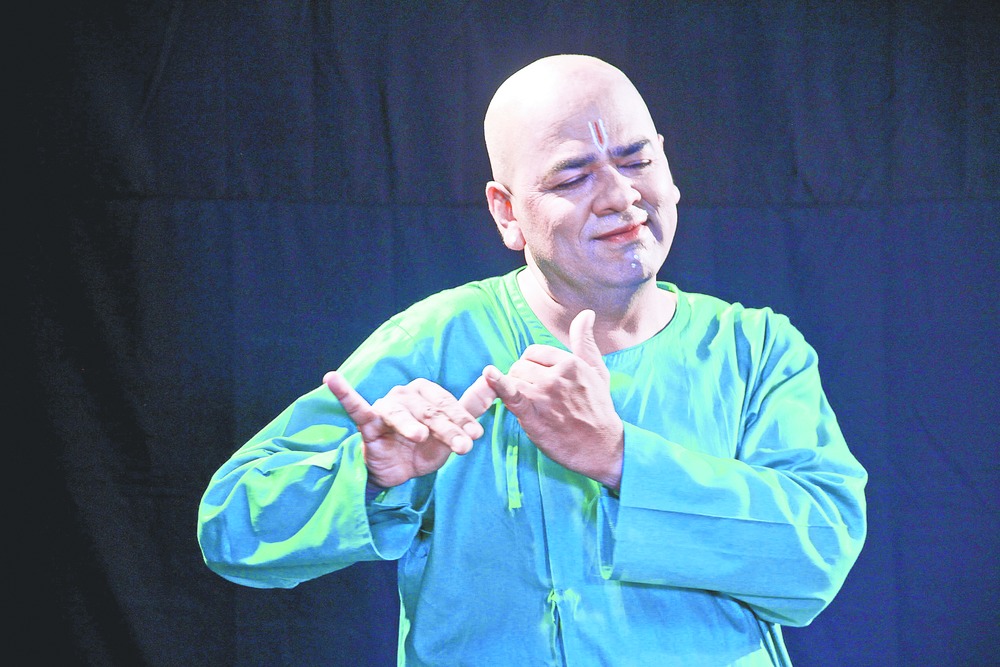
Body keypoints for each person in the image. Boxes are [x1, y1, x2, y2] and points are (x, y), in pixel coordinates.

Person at [198, 54, 867, 666]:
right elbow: (232, 528)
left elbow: (820, 553)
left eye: (637, 160)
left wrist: (618, 457)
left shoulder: (755, 350)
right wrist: (370, 477)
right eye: (573, 176)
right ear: (507, 212)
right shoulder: (441, 339)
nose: (620, 196)